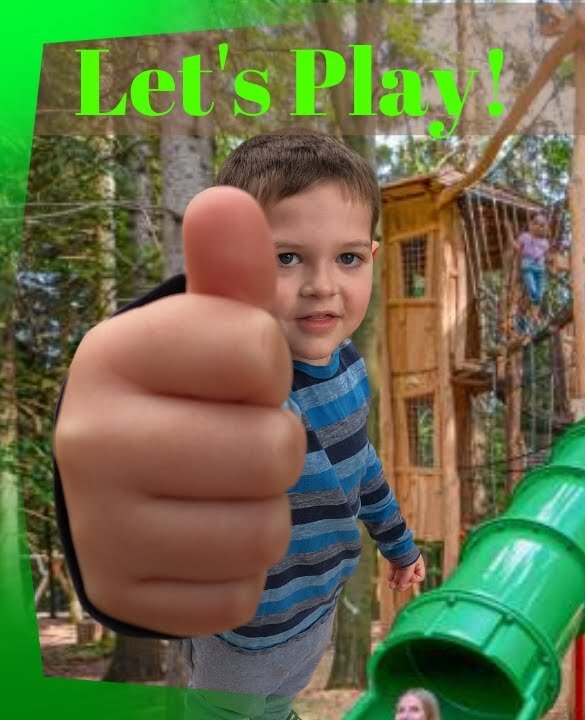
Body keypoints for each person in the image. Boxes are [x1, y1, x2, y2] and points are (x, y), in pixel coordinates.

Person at [52, 130, 426, 719]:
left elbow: (363, 465)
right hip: (246, 629)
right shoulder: (237, 389)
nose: (322, 284)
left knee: (278, 702)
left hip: (317, 604)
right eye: (286, 257)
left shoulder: (351, 369)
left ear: (372, 258)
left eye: (347, 257)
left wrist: (399, 545)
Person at [514, 212, 552, 323]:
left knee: (539, 294)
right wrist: (511, 239)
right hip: (528, 267)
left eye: (542, 225)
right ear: (530, 225)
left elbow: (546, 256)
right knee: (533, 291)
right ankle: (529, 315)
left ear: (545, 228)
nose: (538, 227)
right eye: (535, 223)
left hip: (540, 269)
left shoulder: (545, 242)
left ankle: (534, 315)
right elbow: (518, 248)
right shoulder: (525, 236)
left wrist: (551, 263)